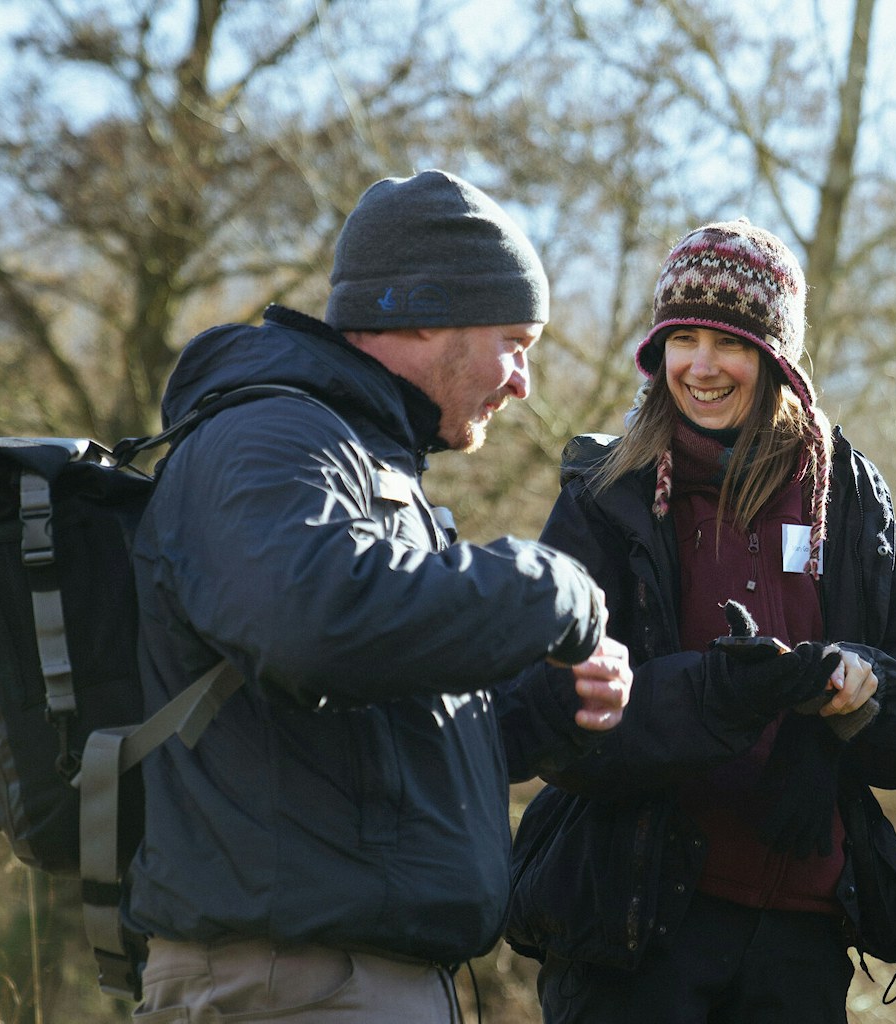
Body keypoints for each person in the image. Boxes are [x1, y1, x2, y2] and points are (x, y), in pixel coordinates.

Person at [123, 169, 633, 1023]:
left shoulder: (361, 461)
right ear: (426, 313)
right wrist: (548, 586)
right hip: (291, 986)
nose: (523, 384)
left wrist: (547, 708)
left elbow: (373, 727)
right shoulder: (270, 437)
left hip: (345, 982)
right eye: (516, 341)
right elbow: (314, 625)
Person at [503, 219, 896, 1023]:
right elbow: (547, 722)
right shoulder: (605, 496)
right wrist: (716, 696)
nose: (700, 365)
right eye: (679, 339)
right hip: (633, 929)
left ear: (776, 360)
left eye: (728, 342)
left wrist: (861, 695)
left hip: (801, 935)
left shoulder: (849, 499)